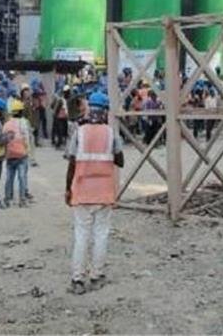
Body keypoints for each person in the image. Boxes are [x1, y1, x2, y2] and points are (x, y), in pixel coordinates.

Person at [65, 92, 124, 295]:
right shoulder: (110, 133)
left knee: (81, 236)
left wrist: (68, 189)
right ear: (105, 111)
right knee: (101, 235)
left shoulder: (79, 133)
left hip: (82, 191)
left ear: (90, 109)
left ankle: (77, 280)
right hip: (104, 192)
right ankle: (97, 276)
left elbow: (71, 164)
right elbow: (120, 161)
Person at [4, 99, 31, 207]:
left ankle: (8, 198)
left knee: (9, 178)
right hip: (21, 154)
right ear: (20, 111)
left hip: (10, 154)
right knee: (22, 177)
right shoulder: (23, 123)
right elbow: (26, 138)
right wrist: (27, 150)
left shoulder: (6, 124)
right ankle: (22, 200)